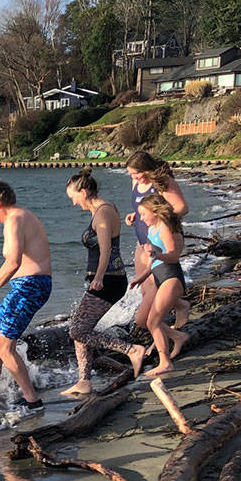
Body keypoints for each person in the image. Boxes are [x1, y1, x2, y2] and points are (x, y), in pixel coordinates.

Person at [62, 169, 146, 396]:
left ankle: (132, 350)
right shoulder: (102, 210)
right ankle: (84, 381)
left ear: (84, 191)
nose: (73, 203)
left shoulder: (102, 213)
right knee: (81, 328)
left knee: (78, 330)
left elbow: (106, 249)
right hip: (106, 279)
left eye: (73, 197)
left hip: (109, 280)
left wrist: (98, 277)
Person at [0, 179, 53, 409]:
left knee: (4, 346)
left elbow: (12, 262)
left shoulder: (13, 220)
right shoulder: (19, 217)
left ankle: (32, 400)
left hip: (31, 286)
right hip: (29, 284)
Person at [125, 150, 189, 330]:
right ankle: (176, 307)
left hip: (162, 239)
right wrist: (135, 216)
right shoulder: (136, 183)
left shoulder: (162, 182)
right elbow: (143, 207)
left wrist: (160, 219)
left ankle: (151, 322)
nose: (135, 178)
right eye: (131, 175)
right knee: (145, 286)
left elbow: (182, 207)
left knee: (155, 282)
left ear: (146, 169)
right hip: (143, 239)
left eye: (137, 174)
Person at [129, 195, 190, 378]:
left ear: (155, 212)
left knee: (153, 321)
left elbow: (173, 256)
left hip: (171, 277)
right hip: (157, 276)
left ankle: (165, 363)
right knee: (141, 320)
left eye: (144, 213)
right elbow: (151, 263)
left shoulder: (164, 228)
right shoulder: (151, 229)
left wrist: (156, 254)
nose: (141, 217)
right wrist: (142, 277)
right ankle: (177, 336)